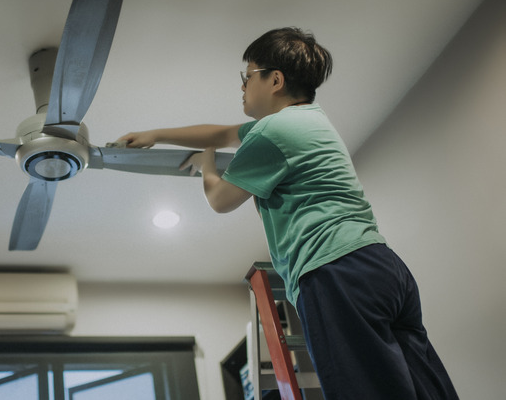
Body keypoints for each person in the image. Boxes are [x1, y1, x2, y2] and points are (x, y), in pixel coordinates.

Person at [117, 27, 458, 399]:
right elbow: (224, 132)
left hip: (333, 270)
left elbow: (220, 200)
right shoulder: (309, 119)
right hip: (383, 267)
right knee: (425, 387)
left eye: (246, 78)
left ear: (274, 79)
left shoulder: (273, 133)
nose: (242, 88)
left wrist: (207, 164)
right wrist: (156, 133)